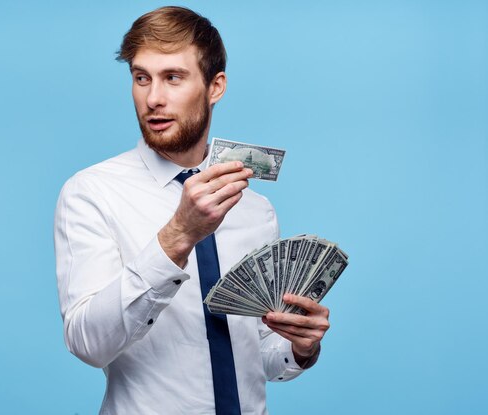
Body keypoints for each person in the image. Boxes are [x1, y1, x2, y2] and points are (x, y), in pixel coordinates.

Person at [54, 6, 331, 414]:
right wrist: (178, 236)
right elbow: (88, 344)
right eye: (141, 78)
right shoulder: (91, 193)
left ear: (215, 86)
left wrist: (300, 346)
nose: (153, 99)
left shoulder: (256, 210)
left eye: (173, 77)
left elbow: (258, 356)